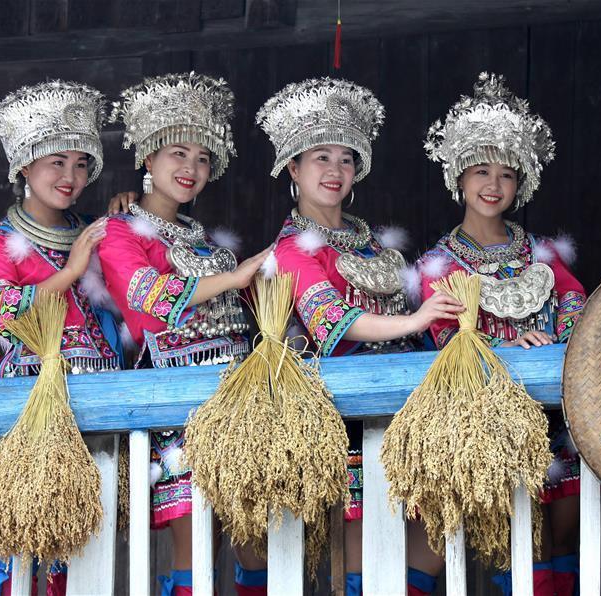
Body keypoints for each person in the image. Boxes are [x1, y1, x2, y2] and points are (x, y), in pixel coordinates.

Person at [256, 77, 463, 596]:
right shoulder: (291, 250)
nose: (334, 170)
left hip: (407, 410)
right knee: (362, 560)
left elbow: (423, 311)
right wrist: (415, 323)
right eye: (320, 157)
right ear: (293, 169)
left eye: (346, 159)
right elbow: (332, 323)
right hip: (341, 414)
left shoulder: (372, 242)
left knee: (426, 547)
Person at [99, 72, 269, 596]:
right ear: (148, 158)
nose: (190, 168)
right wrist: (239, 275)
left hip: (237, 395)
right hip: (179, 399)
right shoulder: (119, 230)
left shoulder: (199, 236)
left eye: (201, 157)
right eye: (177, 153)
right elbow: (147, 301)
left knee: (254, 542)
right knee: (194, 546)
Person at [418, 72, 586, 596]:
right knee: (521, 539)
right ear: (460, 179)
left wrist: (559, 340)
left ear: (522, 184)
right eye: (481, 171)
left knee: (567, 535)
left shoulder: (543, 253)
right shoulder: (438, 263)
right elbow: (444, 338)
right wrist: (507, 348)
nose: (494, 185)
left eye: (507, 175)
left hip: (558, 414)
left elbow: (577, 304)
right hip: (492, 421)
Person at [0, 80, 121, 596]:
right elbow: (5, 316)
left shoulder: (94, 231)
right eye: (56, 162)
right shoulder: (0, 248)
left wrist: (131, 209)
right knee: (32, 553)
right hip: (32, 407)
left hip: (98, 405)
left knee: (88, 556)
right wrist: (73, 268)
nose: (70, 176)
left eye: (80, 164)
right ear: (23, 167)